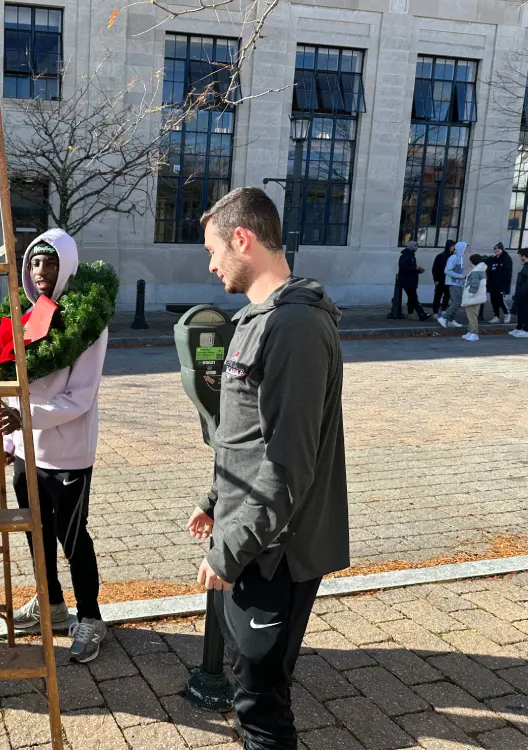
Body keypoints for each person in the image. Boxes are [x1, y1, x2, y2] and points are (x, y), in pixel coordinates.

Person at [186, 187, 349, 750]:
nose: (209, 265)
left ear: (242, 239)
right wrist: (214, 501)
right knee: (248, 682)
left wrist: (229, 550)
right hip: (250, 534)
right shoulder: (259, 318)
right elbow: (244, 433)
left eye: (212, 250)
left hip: (275, 550)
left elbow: (287, 464)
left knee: (261, 700)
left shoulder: (295, 326)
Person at [0, 228, 110, 664]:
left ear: (68, 265)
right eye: (35, 262)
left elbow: (79, 396)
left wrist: (27, 419)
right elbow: (12, 379)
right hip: (27, 450)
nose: (41, 271)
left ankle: (92, 616)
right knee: (36, 534)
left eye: (51, 262)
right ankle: (52, 604)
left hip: (67, 453)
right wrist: (11, 437)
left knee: (72, 536)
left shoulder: (88, 322)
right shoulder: (23, 314)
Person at [437, 241, 467, 329]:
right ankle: (444, 317)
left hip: (457, 283)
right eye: (465, 247)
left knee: (457, 302)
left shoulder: (459, 257)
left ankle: (450, 319)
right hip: (454, 283)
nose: (466, 249)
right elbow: (447, 270)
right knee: (456, 302)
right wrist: (460, 276)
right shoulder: (454, 257)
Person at [398, 240, 429, 321]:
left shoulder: (412, 256)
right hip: (407, 281)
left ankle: (410, 313)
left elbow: (411, 268)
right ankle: (422, 314)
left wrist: (419, 270)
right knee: (414, 298)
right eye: (415, 246)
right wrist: (415, 268)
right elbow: (403, 267)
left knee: (412, 298)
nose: (416, 248)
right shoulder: (405, 256)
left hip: (411, 280)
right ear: (411, 246)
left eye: (417, 246)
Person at [461, 254, 488, 342]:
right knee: (472, 315)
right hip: (478, 296)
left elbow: (474, 285)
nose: (470, 263)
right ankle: (470, 332)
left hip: (473, 297)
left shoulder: (476, 271)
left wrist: (470, 294)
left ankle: (474, 333)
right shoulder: (481, 270)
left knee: (472, 316)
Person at [485, 242, 513, 324]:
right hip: (493, 284)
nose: (497, 250)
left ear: (502, 249)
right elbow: (487, 265)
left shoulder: (506, 258)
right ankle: (495, 316)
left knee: (500, 300)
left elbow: (507, 273)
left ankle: (507, 313)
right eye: (495, 249)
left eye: (498, 249)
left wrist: (504, 285)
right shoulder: (493, 259)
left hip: (501, 284)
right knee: (493, 300)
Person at [431, 240, 454, 315]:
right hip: (441, 279)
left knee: (447, 296)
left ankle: (444, 310)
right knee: (438, 296)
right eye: (451, 246)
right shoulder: (440, 256)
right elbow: (434, 269)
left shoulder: (454, 257)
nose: (452, 248)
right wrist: (436, 280)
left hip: (449, 280)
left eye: (453, 246)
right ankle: (435, 312)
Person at [511, 249, 528, 339]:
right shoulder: (525, 266)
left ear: (523, 256)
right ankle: (519, 328)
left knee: (525, 312)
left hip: (525, 294)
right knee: (521, 311)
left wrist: (521, 292)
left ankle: (526, 330)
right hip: (522, 293)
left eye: (520, 256)